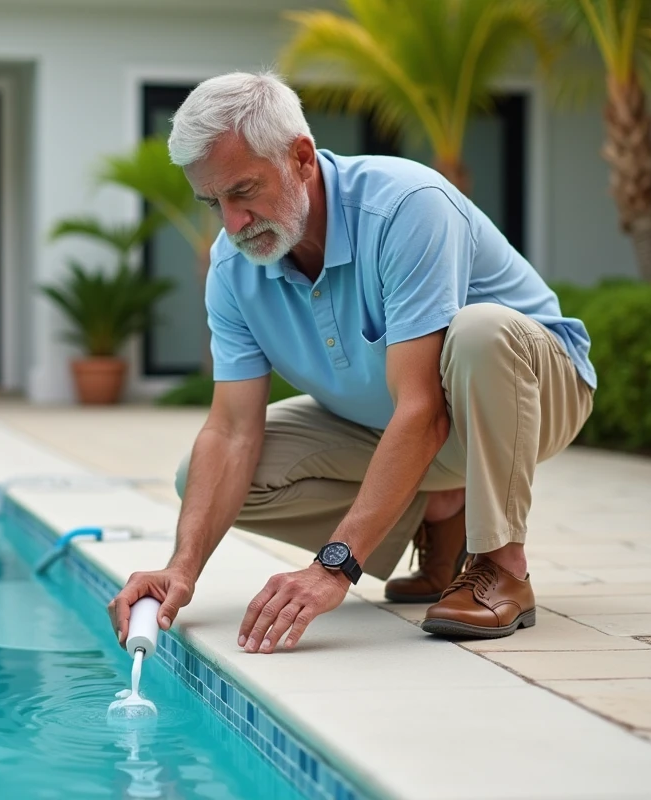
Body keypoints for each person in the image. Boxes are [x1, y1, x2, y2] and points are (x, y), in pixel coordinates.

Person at [107, 71, 595, 654]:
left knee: (479, 331)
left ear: (302, 157)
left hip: (531, 392)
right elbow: (232, 429)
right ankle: (436, 513)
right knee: (203, 477)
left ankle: (500, 562)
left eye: (243, 191)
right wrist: (181, 569)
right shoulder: (231, 267)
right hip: (401, 424)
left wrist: (334, 566)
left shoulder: (407, 207)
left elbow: (424, 409)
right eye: (213, 202)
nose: (232, 223)